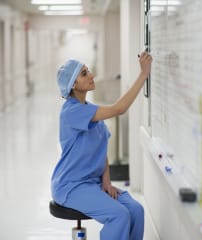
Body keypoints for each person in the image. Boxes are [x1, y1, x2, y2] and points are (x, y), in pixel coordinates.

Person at [51, 51, 152, 240]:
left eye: (88, 71)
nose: (91, 75)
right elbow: (119, 109)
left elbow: (101, 150)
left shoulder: (90, 109)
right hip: (71, 186)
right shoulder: (71, 112)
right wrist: (143, 74)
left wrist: (106, 181)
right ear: (73, 85)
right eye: (84, 74)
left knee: (136, 210)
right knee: (119, 215)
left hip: (94, 183)